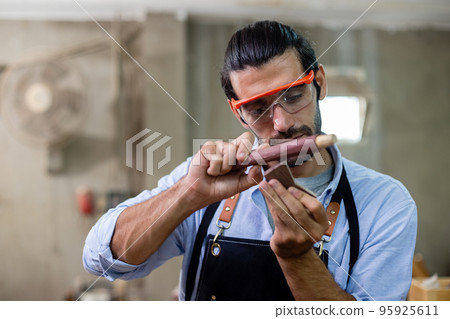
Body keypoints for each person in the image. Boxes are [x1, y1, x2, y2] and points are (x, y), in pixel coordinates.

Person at [83, 20, 417, 301]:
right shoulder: (200, 179)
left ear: (319, 83)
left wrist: (298, 258)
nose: (283, 123)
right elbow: (99, 260)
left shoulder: (385, 204)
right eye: (259, 109)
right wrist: (188, 195)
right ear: (239, 114)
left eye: (294, 95)